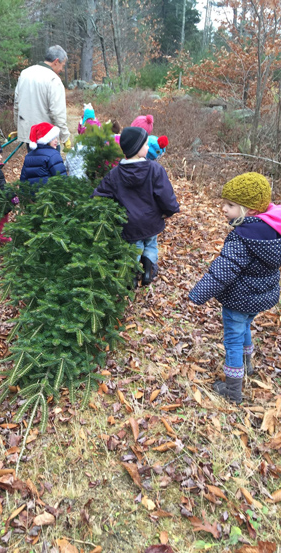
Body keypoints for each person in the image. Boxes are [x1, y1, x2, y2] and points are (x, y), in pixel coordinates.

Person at [189, 173, 281, 404]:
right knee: (245, 327)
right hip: (259, 298)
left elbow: (223, 270)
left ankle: (232, 391)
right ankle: (248, 365)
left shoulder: (243, 238)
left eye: (230, 205)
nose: (223, 208)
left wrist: (198, 293)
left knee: (232, 339)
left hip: (238, 299)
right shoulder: (273, 230)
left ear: (249, 211)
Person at [91, 126, 179, 285]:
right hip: (152, 220)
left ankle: (130, 275)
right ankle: (148, 271)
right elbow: (165, 194)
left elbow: (100, 195)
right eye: (145, 144)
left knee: (134, 247)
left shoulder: (115, 174)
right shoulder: (155, 169)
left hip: (129, 223)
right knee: (151, 245)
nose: (148, 147)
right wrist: (169, 211)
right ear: (138, 149)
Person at [14, 45, 71, 151]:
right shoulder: (54, 80)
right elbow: (57, 113)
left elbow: (17, 104)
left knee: (34, 165)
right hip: (48, 137)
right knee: (52, 166)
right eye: (62, 65)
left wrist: (18, 127)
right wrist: (65, 137)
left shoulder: (25, 74)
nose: (62, 69)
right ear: (56, 61)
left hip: (31, 137)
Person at [20, 122, 67, 191]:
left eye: (56, 138)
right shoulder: (54, 155)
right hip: (49, 197)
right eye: (53, 138)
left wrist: (23, 196)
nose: (56, 141)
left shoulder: (28, 156)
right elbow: (61, 178)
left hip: (32, 198)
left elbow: (23, 179)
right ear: (46, 139)